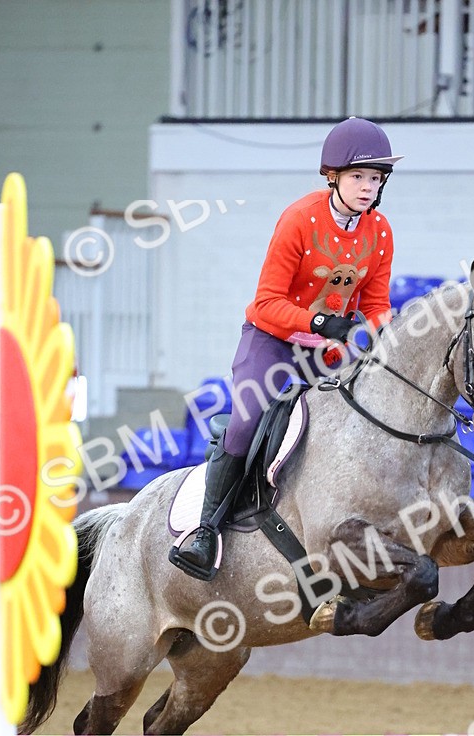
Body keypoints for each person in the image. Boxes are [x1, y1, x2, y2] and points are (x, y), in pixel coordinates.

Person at [170, 116, 402, 579]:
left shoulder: (380, 232)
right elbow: (268, 302)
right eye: (359, 177)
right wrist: (318, 320)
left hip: (327, 352)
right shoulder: (299, 219)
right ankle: (205, 530)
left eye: (375, 179)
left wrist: (384, 339)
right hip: (271, 340)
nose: (368, 187)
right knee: (247, 419)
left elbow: (376, 304)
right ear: (332, 176)